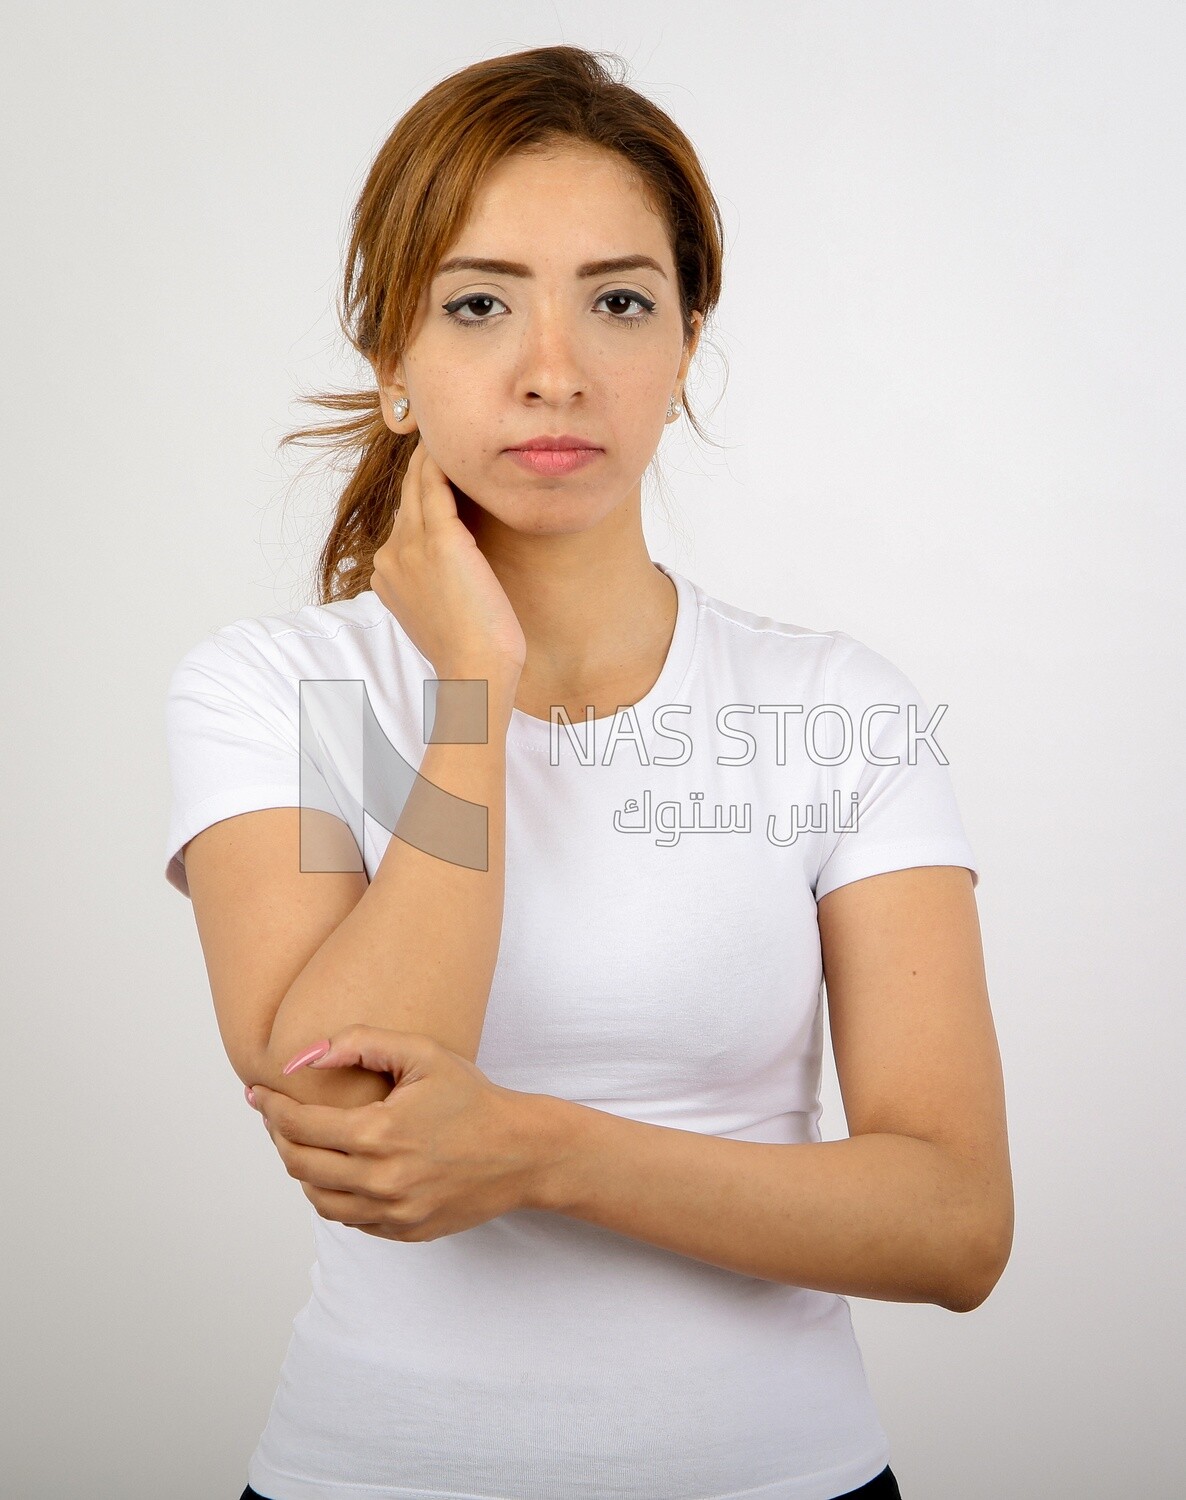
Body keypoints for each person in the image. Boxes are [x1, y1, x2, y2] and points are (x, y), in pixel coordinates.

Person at [164, 44, 1012, 1500]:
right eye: (479, 303)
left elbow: (950, 1224)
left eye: (618, 300)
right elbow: (355, 1129)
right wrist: (473, 698)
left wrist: (543, 1152)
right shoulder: (294, 692)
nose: (552, 370)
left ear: (685, 345)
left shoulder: (828, 709)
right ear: (394, 363)